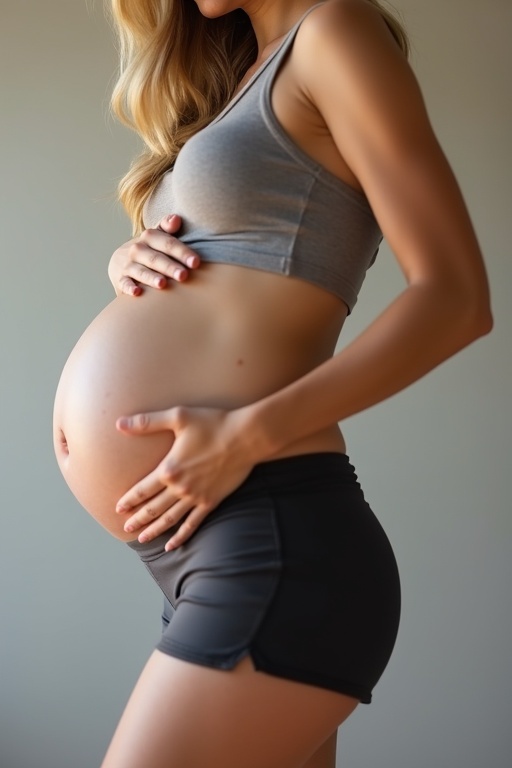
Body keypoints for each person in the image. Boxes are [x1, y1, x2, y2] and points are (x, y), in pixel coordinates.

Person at [53, 1, 492, 766]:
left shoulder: (333, 32)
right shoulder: (241, 77)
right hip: (206, 551)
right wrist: (129, 265)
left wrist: (243, 434)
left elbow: (455, 298)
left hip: (272, 541)